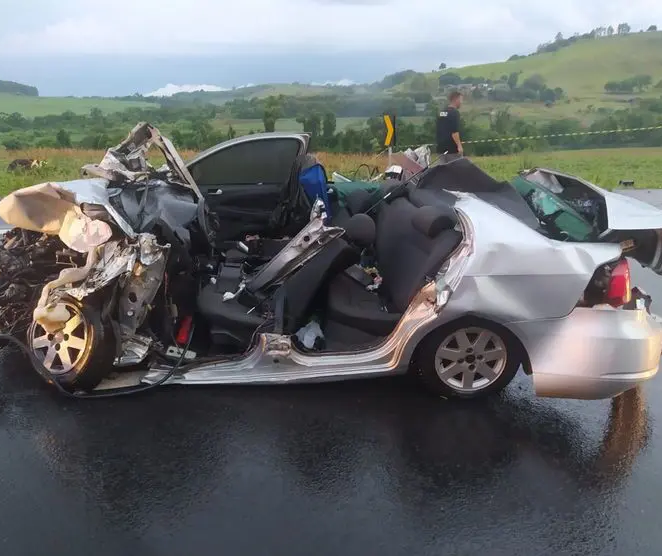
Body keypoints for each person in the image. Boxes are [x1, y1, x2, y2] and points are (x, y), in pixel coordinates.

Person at [436, 91, 463, 162]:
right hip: (452, 149)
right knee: (455, 170)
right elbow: (454, 132)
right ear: (455, 100)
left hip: (440, 148)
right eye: (460, 100)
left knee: (443, 171)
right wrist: (459, 146)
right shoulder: (454, 113)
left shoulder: (441, 112)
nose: (461, 102)